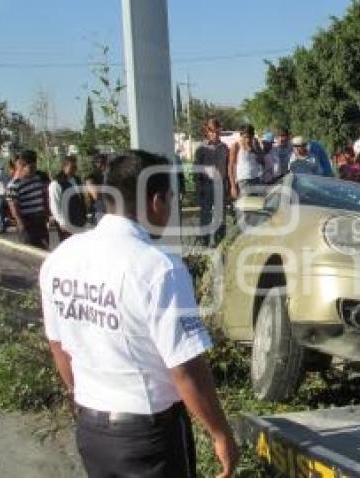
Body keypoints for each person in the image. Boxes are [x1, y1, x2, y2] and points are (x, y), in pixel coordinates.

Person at [39, 150, 238, 478]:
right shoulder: (159, 268)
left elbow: (59, 347)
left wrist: (87, 397)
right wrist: (220, 433)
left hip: (92, 431)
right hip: (147, 440)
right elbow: (185, 369)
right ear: (157, 200)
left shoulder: (60, 258)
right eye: (172, 198)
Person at [193, 118, 230, 247]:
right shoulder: (201, 148)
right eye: (211, 131)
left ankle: (220, 241)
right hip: (206, 185)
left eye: (217, 131)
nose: (214, 134)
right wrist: (198, 188)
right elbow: (196, 169)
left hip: (221, 184)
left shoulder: (224, 147)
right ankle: (205, 240)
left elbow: (228, 166)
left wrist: (229, 186)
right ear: (207, 132)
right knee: (205, 213)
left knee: (221, 213)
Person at [6, 150, 50, 249]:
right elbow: (14, 207)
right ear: (22, 166)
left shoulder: (38, 178)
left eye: (35, 167)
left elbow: (44, 195)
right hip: (27, 223)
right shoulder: (13, 185)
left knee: (44, 249)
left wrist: (47, 214)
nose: (34, 170)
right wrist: (21, 224)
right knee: (30, 251)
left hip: (41, 221)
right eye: (31, 168)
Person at [48, 155, 87, 241]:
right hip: (66, 223)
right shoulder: (56, 184)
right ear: (64, 166)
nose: (74, 169)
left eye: (75, 167)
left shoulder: (77, 180)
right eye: (72, 167)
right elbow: (55, 205)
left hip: (79, 221)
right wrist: (62, 222)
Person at [228, 124, 263, 198]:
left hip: (256, 179)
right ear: (241, 135)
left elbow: (261, 161)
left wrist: (254, 150)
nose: (248, 140)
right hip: (243, 181)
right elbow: (230, 167)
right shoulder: (236, 145)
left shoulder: (255, 144)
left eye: (250, 137)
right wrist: (233, 186)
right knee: (245, 206)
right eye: (245, 137)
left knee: (256, 206)